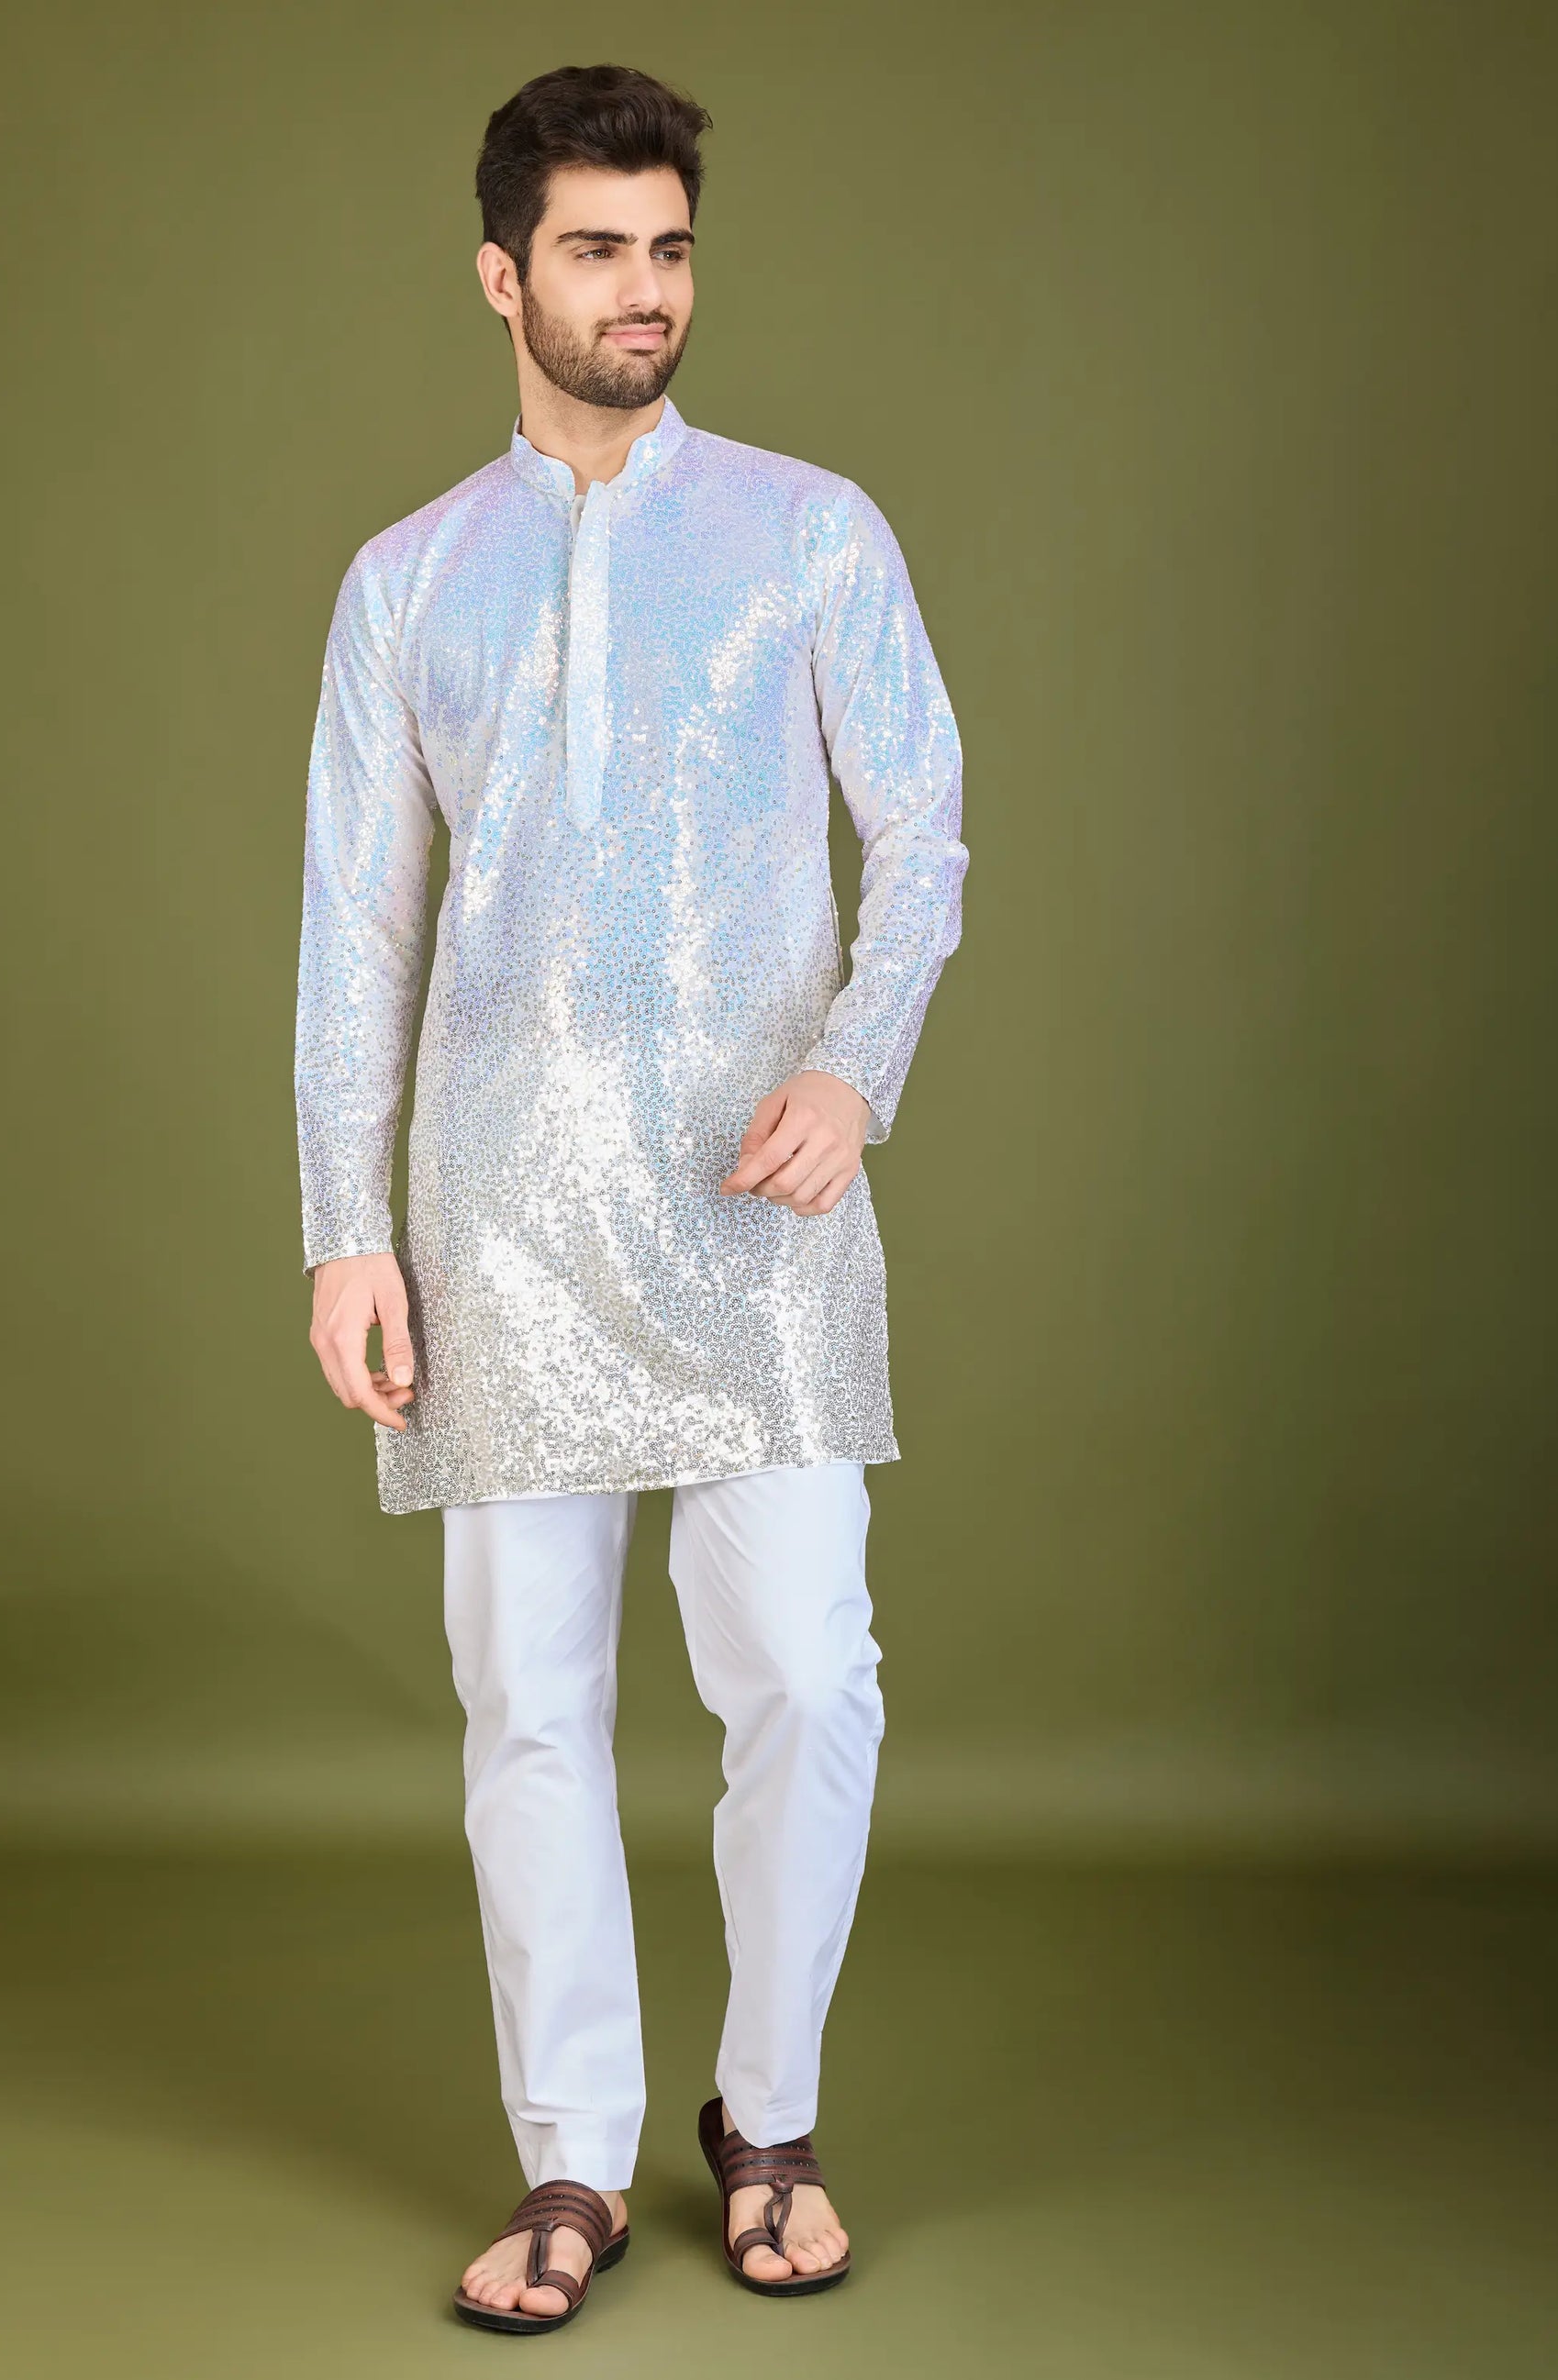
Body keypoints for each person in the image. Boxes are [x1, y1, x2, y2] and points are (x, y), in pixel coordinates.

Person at [295, 61, 968, 2336]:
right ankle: (570, 2158)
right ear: (502, 276)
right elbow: (359, 934)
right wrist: (346, 1223)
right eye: (595, 251)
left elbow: (924, 833)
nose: (643, 290)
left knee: (812, 1672)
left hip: (760, 1206)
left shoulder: (809, 533)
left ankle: (765, 2117)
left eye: (668, 248)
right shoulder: (409, 582)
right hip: (497, 1219)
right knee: (529, 1705)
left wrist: (854, 1067)